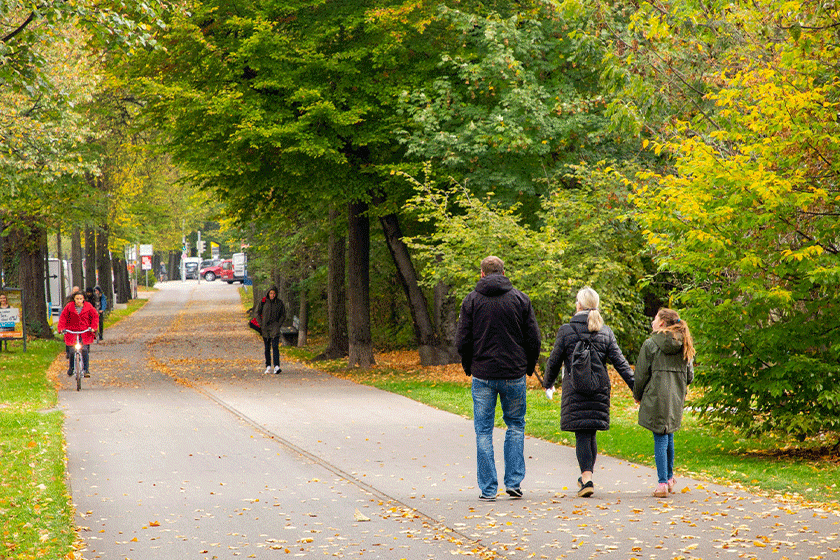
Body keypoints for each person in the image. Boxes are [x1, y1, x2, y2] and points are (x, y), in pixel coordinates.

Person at [456, 256, 541, 502]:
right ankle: (513, 482)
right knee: (515, 425)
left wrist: (469, 365)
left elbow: (462, 340)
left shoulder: (472, 301)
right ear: (503, 272)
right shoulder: (520, 299)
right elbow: (533, 338)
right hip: (513, 372)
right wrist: (528, 366)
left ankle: (488, 489)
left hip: (483, 373)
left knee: (483, 430)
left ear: (482, 274)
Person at [542, 286, 634, 498]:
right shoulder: (605, 331)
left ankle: (586, 478)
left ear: (579, 305)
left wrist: (548, 383)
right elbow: (620, 363)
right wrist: (635, 387)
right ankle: (587, 476)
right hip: (599, 388)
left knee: (582, 433)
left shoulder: (566, 330)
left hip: (575, 389)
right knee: (590, 432)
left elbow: (554, 360)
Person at [633, 308, 695, 498]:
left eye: (654, 318)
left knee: (660, 436)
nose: (652, 322)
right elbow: (690, 376)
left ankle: (662, 483)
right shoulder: (684, 343)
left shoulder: (651, 344)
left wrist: (637, 394)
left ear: (661, 323)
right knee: (668, 434)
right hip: (676, 396)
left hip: (656, 396)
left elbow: (641, 374)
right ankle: (668, 479)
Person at [57, 291, 99, 378]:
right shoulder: (69, 307)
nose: (79, 301)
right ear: (74, 299)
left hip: (85, 332)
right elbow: (63, 318)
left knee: (85, 350)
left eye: (80, 299)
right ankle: (71, 368)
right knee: (72, 351)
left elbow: (95, 316)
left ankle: (86, 370)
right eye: (77, 299)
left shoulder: (88, 306)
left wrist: (93, 327)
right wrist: (61, 328)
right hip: (72, 332)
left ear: (83, 299)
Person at [257, 286, 285, 374]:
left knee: (275, 346)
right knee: (267, 348)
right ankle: (268, 366)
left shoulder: (279, 303)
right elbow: (257, 313)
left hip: (275, 328)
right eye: (271, 293)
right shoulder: (263, 302)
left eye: (273, 293)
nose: (272, 295)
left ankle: (276, 366)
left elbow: (283, 315)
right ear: (268, 294)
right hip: (265, 328)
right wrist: (261, 324)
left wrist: (278, 324)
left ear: (276, 294)